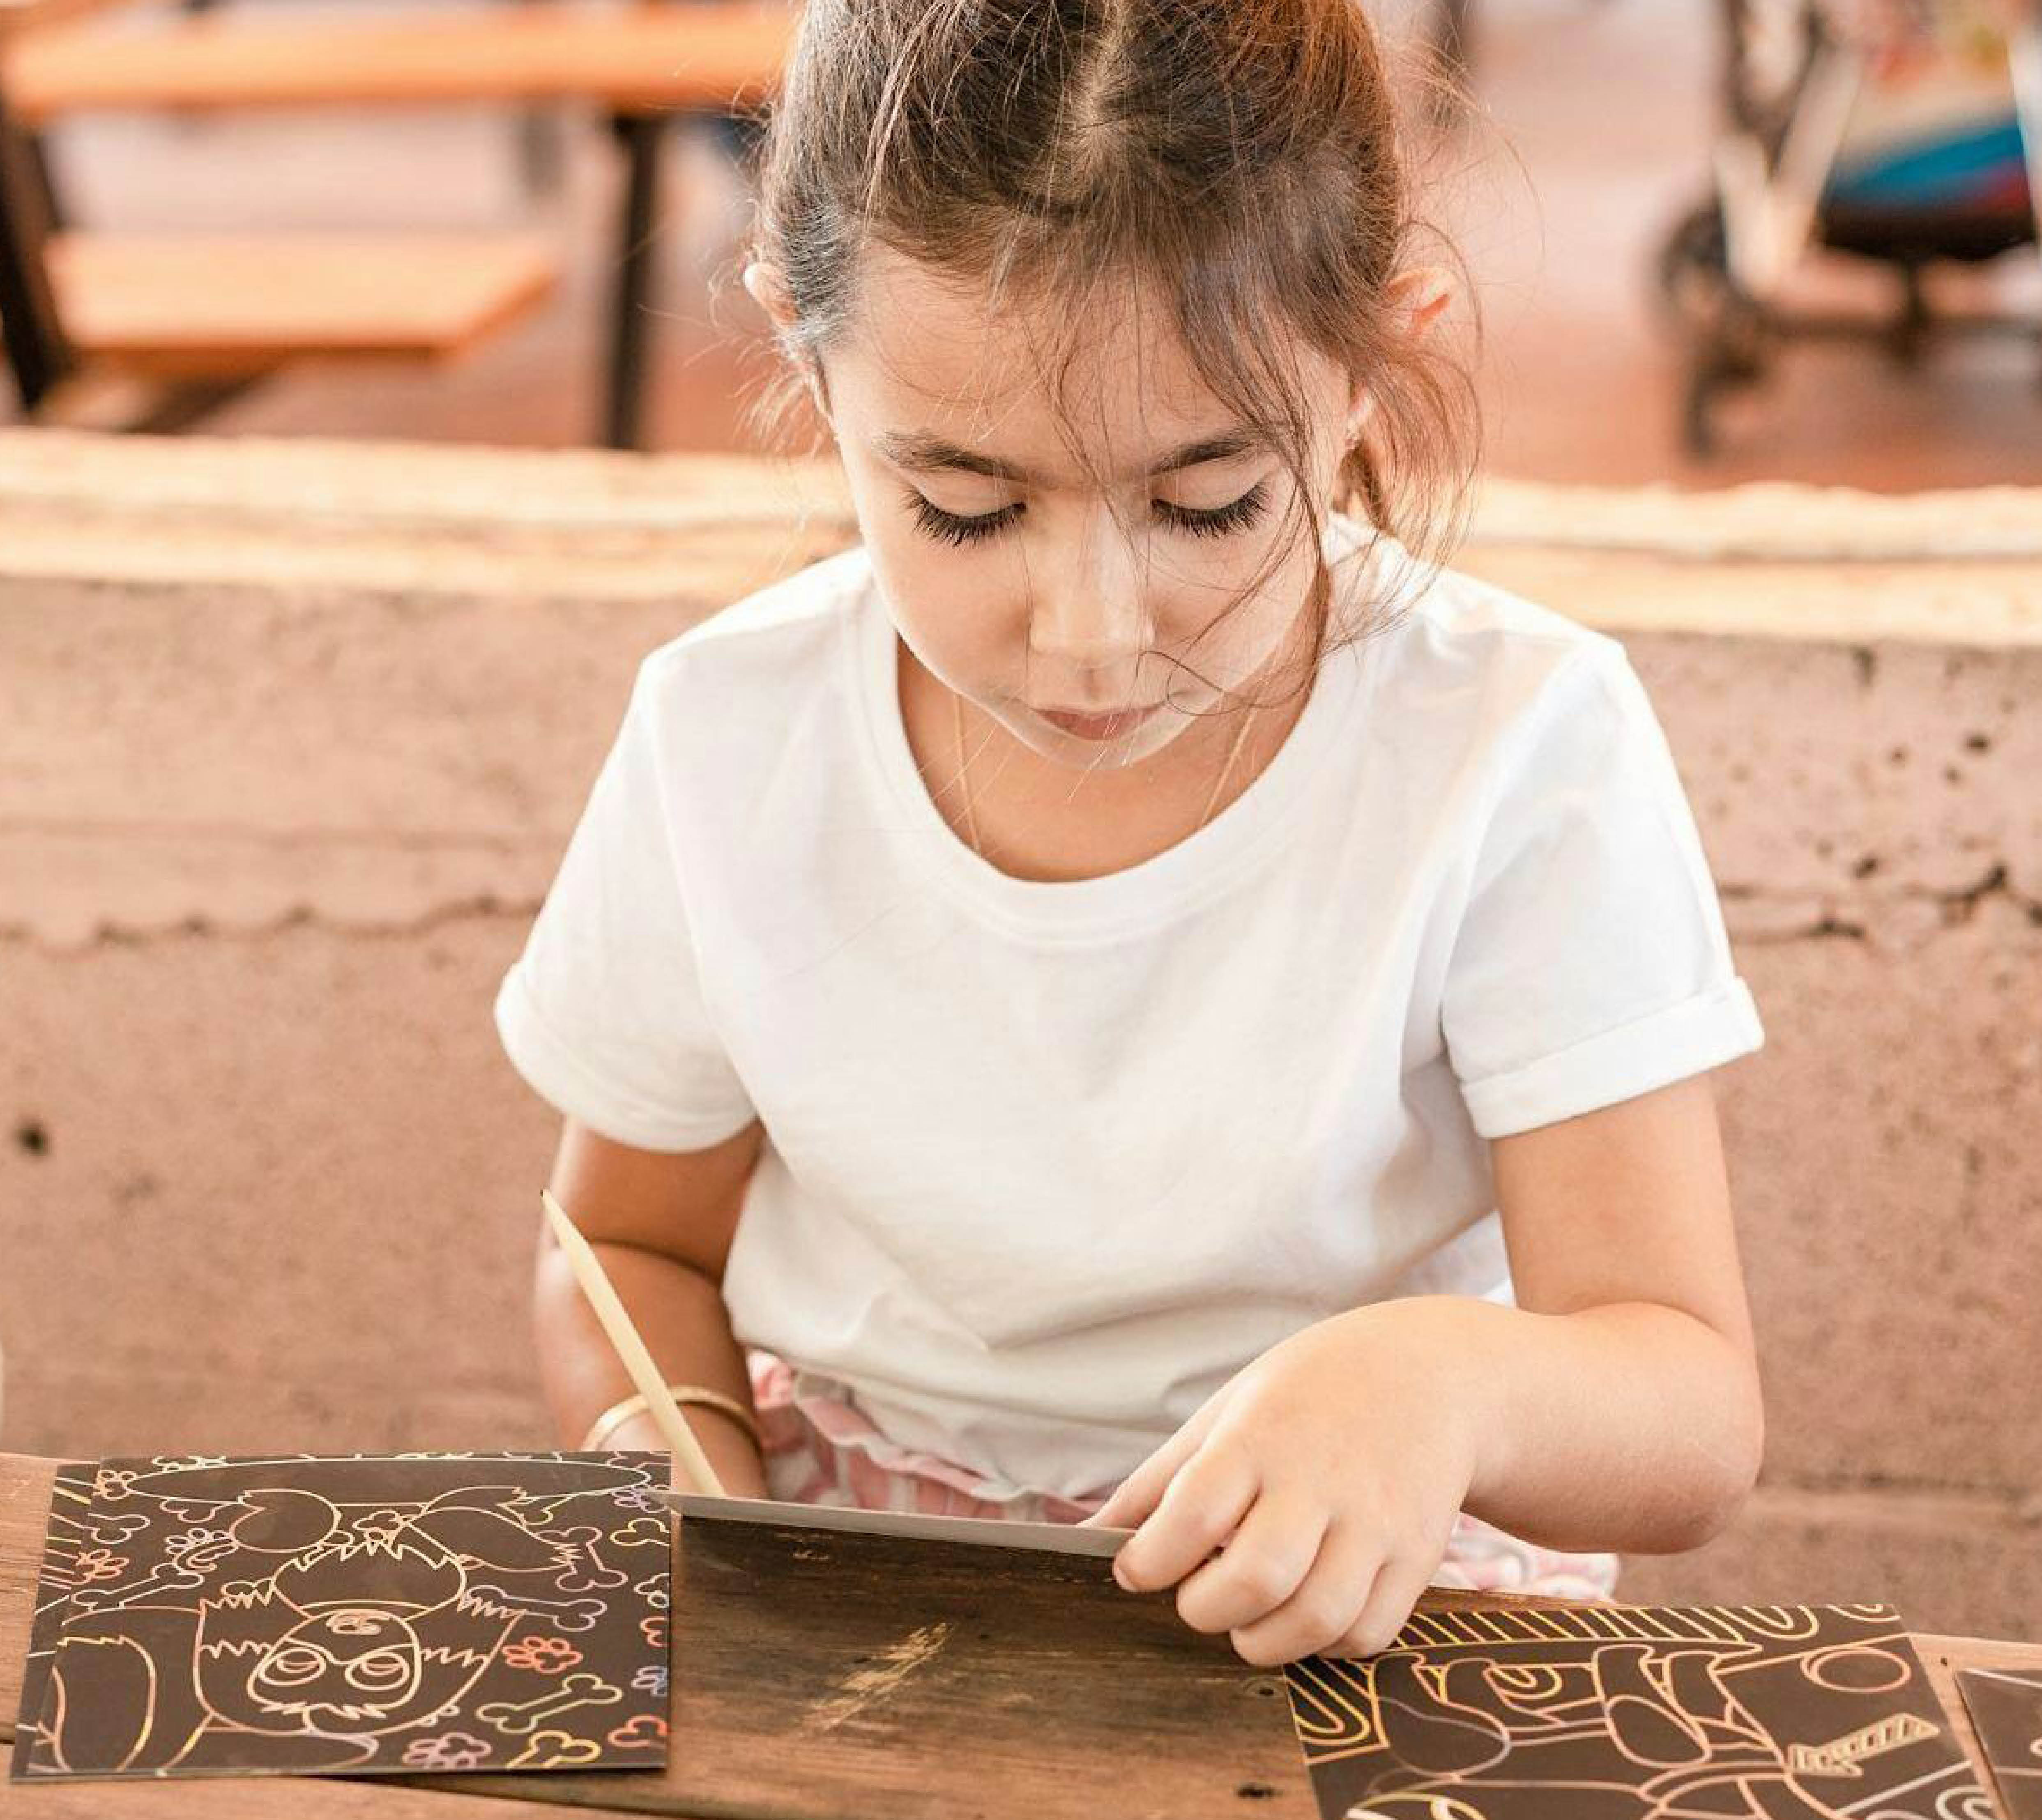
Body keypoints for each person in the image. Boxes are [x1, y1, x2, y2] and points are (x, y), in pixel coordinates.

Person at [495, 0, 1767, 1669]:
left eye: (1204, 503)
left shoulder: (1517, 745)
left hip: (1345, 1591)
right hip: (854, 1563)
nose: (1092, 635)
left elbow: (1687, 1407)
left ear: (1379, 360)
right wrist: (671, 1473)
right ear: (808, 359)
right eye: (964, 506)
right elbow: (628, 1243)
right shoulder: (727, 729)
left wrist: (1435, 1384)